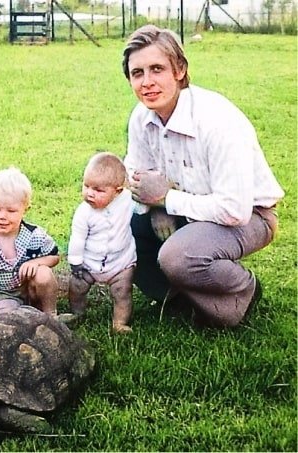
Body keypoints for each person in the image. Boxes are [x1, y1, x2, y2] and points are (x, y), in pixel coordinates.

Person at [121, 25, 284, 328]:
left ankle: (243, 290)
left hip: (250, 216)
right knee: (122, 227)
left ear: (180, 70)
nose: (147, 82)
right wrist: (152, 203)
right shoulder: (141, 117)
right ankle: (177, 296)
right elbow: (136, 175)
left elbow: (234, 210)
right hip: (185, 209)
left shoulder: (217, 121)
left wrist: (166, 199)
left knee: (178, 257)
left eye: (157, 69)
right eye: (137, 73)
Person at [0, 167, 60, 317]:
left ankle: (50, 314)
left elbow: (55, 257)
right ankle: (13, 314)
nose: (2, 216)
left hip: (30, 287)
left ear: (25, 209)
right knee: (8, 315)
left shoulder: (35, 235)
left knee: (44, 273)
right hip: (3, 293)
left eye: (11, 211)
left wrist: (36, 263)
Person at [67, 151, 136, 333]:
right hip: (89, 263)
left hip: (120, 263)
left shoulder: (128, 201)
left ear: (118, 191)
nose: (89, 193)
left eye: (98, 190)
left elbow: (143, 206)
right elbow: (78, 238)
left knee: (122, 292)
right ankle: (77, 312)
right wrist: (75, 262)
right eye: (86, 186)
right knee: (77, 287)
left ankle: (119, 323)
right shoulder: (84, 212)